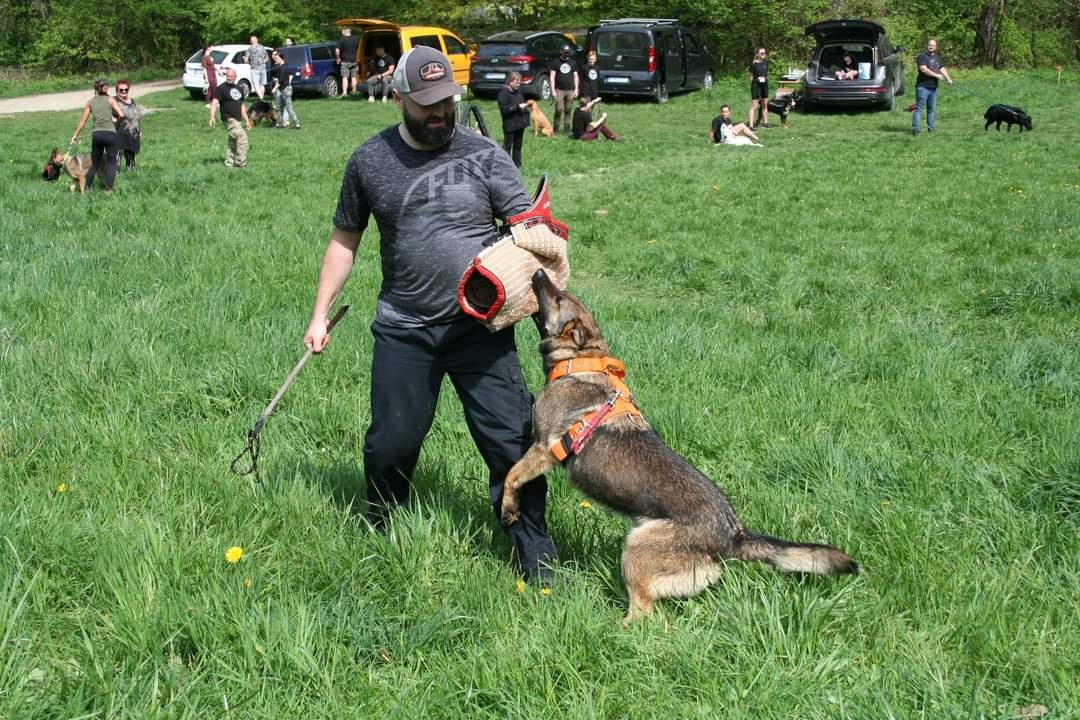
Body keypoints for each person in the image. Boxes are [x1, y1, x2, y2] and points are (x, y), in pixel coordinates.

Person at [303, 46, 558, 583]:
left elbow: (531, 234)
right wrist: (320, 315)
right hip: (404, 326)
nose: (440, 114)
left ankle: (536, 557)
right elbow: (344, 240)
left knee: (511, 441)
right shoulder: (370, 160)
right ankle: (382, 530)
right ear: (398, 98)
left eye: (447, 102)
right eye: (427, 105)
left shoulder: (486, 155)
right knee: (392, 440)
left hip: (481, 328)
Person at [69, 77, 124, 193]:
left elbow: (82, 122)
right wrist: (115, 123)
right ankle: (108, 189)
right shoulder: (110, 100)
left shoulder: (90, 102)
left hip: (97, 135)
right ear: (105, 88)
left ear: (95, 89)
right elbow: (121, 115)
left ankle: (87, 188)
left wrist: (75, 136)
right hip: (110, 134)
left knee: (95, 163)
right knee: (112, 162)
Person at [209, 68, 250, 167]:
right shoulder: (221, 89)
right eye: (228, 76)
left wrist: (247, 120)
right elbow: (214, 102)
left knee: (233, 141)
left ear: (235, 77)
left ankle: (229, 162)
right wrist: (212, 116)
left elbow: (241, 106)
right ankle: (241, 163)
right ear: (225, 76)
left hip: (238, 119)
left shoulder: (239, 89)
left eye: (232, 76)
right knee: (242, 137)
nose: (229, 78)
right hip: (228, 118)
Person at [912, 37, 953, 136]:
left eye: (933, 45)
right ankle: (916, 129)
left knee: (931, 109)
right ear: (927, 45)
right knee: (919, 109)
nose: (931, 47)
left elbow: (942, 68)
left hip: (933, 88)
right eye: (930, 45)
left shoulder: (938, 57)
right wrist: (936, 75)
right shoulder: (922, 56)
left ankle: (931, 128)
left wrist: (948, 78)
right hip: (923, 87)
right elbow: (923, 69)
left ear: (936, 47)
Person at [496, 72, 529, 166]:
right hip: (510, 124)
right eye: (516, 82)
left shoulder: (518, 92)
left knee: (518, 146)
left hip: (519, 124)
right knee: (507, 146)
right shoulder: (503, 94)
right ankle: (505, 165)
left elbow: (521, 102)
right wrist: (517, 107)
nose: (518, 85)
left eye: (519, 83)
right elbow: (504, 109)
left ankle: (517, 165)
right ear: (510, 82)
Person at [548, 43, 579, 135]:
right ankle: (556, 129)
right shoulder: (555, 62)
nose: (566, 55)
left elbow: (576, 76)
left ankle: (566, 128)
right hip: (559, 90)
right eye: (565, 53)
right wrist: (553, 90)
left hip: (570, 90)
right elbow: (552, 76)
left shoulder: (573, 62)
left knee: (568, 109)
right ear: (561, 52)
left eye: (568, 53)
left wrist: (576, 89)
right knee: (559, 109)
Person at [112, 79, 143, 171]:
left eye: (126, 89)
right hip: (119, 132)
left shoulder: (132, 101)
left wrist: (139, 130)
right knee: (117, 155)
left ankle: (131, 173)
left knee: (131, 155)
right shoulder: (114, 101)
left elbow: (135, 116)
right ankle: (114, 176)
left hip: (133, 132)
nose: (124, 91)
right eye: (121, 90)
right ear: (117, 90)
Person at [270, 49, 301, 129]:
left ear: (281, 58)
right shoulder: (281, 66)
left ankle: (296, 123)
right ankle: (280, 123)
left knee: (288, 107)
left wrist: (274, 88)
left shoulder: (283, 67)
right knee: (279, 107)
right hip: (283, 89)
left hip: (285, 90)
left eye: (277, 58)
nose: (275, 60)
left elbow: (281, 80)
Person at [335, 27, 361, 98]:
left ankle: (344, 93)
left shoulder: (342, 40)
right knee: (354, 77)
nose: (341, 32)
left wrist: (338, 58)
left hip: (345, 61)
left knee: (345, 77)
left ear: (344, 31)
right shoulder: (356, 38)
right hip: (354, 61)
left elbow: (337, 50)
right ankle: (354, 91)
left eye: (342, 31)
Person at [748, 47, 770, 129]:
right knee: (754, 105)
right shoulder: (753, 64)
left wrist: (765, 79)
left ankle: (765, 123)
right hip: (756, 86)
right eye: (762, 53)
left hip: (764, 85)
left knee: (764, 104)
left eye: (765, 53)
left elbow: (766, 75)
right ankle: (751, 125)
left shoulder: (765, 64)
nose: (764, 54)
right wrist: (753, 84)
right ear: (757, 54)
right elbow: (751, 77)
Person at [245, 35, 270, 100]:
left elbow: (246, 60)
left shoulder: (249, 49)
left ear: (251, 41)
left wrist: (248, 62)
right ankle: (261, 98)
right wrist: (263, 61)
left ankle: (261, 98)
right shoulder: (262, 47)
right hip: (263, 67)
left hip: (254, 68)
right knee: (262, 84)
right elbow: (267, 57)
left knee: (256, 85)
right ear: (257, 40)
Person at [201, 43, 218, 108]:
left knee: (215, 88)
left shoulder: (210, 57)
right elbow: (204, 68)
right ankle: (207, 103)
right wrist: (206, 79)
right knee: (209, 88)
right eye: (212, 47)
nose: (213, 49)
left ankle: (214, 102)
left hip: (213, 73)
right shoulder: (204, 57)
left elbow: (214, 66)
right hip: (208, 73)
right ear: (208, 48)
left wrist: (220, 72)